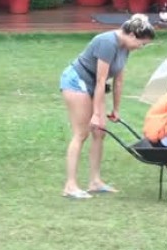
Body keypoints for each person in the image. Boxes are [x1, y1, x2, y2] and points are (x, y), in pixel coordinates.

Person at [59, 14, 156, 199]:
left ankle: (95, 182)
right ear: (133, 35)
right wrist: (96, 113)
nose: (141, 47)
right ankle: (70, 186)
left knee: (100, 132)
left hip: (96, 84)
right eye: (142, 43)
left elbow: (118, 80)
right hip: (76, 81)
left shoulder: (125, 47)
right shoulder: (107, 42)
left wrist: (116, 110)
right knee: (82, 133)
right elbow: (101, 79)